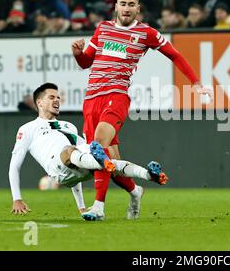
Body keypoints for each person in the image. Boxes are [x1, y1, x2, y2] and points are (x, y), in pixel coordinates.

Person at [71, 0, 212, 221]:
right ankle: (136, 191)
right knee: (111, 164)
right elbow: (86, 62)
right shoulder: (102, 29)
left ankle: (98, 207)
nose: (126, 8)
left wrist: (195, 83)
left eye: (131, 4)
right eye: (122, 3)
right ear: (115, 6)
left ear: (138, 9)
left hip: (116, 96)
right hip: (91, 100)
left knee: (98, 146)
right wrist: (78, 54)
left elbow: (175, 55)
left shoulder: (146, 33)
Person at [9, 83, 168, 219]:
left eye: (58, 97)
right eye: (51, 97)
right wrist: (17, 198)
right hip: (58, 170)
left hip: (78, 165)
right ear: (39, 102)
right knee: (77, 152)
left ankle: (148, 175)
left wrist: (81, 208)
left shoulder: (68, 126)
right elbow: (14, 165)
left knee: (102, 158)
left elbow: (80, 153)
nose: (57, 100)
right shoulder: (27, 129)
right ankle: (103, 162)